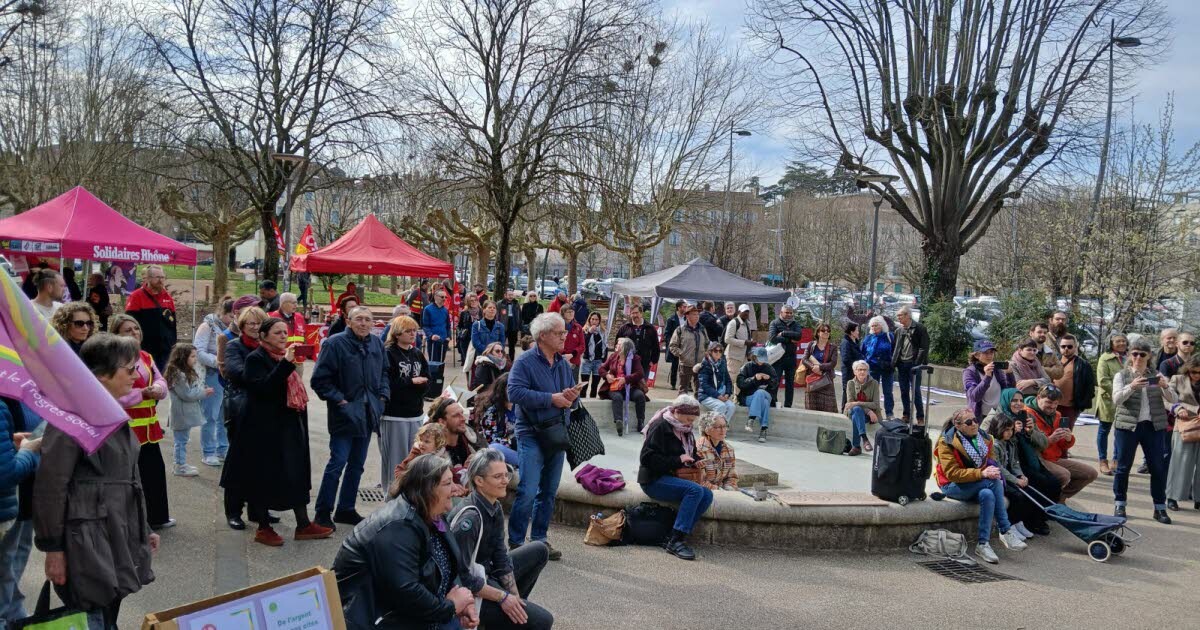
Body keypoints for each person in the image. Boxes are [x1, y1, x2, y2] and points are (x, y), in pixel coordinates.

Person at [33, 334, 160, 628]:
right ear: (101, 374)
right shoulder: (72, 415)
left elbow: (128, 474)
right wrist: (53, 548)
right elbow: (51, 486)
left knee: (108, 611)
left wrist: (145, 525)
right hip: (87, 538)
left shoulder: (112, 410)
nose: (135, 376)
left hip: (116, 528)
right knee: (92, 613)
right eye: (128, 369)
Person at [333, 454, 479, 630]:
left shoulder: (432, 514)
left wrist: (464, 602)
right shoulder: (398, 527)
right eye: (447, 484)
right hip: (377, 618)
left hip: (423, 612)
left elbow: (450, 567)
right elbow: (406, 591)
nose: (455, 489)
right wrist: (451, 607)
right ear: (428, 489)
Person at [241, 317, 334, 545]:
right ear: (263, 336)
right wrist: (287, 365)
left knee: (296, 473)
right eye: (277, 333)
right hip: (265, 429)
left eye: (285, 332)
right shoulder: (256, 359)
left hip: (290, 425)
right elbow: (263, 389)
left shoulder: (284, 358)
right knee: (265, 476)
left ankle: (303, 524)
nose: (283, 336)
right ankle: (263, 527)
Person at [450, 449, 555, 630]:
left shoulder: (494, 506)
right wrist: (502, 597)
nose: (505, 480)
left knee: (539, 550)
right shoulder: (470, 519)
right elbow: (463, 578)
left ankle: (511, 617)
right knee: (543, 621)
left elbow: (501, 557)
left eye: (506, 474)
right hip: (468, 592)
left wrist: (514, 598)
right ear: (479, 481)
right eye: (498, 476)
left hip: (487, 574)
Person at [507, 313, 580, 560]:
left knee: (549, 491)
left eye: (564, 332)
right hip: (531, 432)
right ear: (543, 335)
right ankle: (516, 542)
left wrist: (570, 397)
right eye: (560, 333)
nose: (564, 336)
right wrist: (551, 399)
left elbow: (570, 396)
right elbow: (514, 392)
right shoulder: (525, 361)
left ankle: (539, 540)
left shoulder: (562, 363)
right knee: (527, 489)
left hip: (556, 432)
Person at [311, 306, 388, 530]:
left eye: (368, 319)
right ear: (348, 321)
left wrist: (382, 396)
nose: (364, 323)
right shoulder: (334, 344)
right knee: (337, 463)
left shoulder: (376, 343)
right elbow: (320, 380)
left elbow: (384, 371)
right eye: (359, 319)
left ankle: (345, 508)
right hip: (344, 414)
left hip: (368, 413)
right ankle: (323, 511)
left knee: (357, 465)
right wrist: (340, 400)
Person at [933, 408, 1027, 565]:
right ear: (958, 425)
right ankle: (1005, 529)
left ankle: (983, 544)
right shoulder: (946, 441)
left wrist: (991, 471)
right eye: (969, 422)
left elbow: (990, 462)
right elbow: (952, 473)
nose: (974, 424)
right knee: (993, 482)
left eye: (975, 420)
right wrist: (982, 474)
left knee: (987, 494)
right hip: (952, 485)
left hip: (975, 483)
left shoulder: (985, 438)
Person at [110, 314, 173, 530]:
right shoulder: (111, 360)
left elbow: (160, 379)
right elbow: (111, 396)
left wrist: (159, 389)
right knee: (127, 479)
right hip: (125, 429)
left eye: (136, 329)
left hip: (149, 430)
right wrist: (142, 395)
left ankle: (157, 517)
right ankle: (129, 522)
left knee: (154, 474)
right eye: (128, 330)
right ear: (116, 334)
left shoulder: (146, 356)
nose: (134, 333)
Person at [638, 395, 713, 560]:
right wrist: (678, 460)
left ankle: (673, 535)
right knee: (694, 490)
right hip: (653, 479)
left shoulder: (684, 430)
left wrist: (696, 461)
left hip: (670, 477)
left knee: (707, 494)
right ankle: (676, 540)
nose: (689, 423)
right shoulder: (660, 427)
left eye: (693, 420)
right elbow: (646, 459)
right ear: (676, 412)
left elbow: (689, 453)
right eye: (687, 418)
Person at [1110, 337, 1175, 523]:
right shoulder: (1122, 376)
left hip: (1153, 427)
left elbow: (1173, 398)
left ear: (1149, 356)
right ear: (1130, 355)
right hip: (1128, 427)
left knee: (1157, 468)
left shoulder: (1157, 375)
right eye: (1134, 353)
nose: (1138, 357)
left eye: (1142, 354)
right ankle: (1120, 504)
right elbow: (1116, 400)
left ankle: (1159, 508)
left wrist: (1165, 386)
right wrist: (1131, 386)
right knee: (1123, 468)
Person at [219, 306, 268, 530]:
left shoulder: (268, 348)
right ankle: (233, 511)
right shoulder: (234, 346)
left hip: (264, 411)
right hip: (240, 411)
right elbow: (237, 374)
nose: (256, 328)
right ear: (242, 326)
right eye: (251, 324)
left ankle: (258, 509)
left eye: (259, 324)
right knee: (238, 463)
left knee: (262, 463)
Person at [982, 391, 1054, 537]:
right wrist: (1016, 479)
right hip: (999, 474)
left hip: (1022, 465)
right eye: (1014, 400)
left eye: (1021, 400)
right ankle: (1013, 524)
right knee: (1021, 494)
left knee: (1048, 484)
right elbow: (997, 464)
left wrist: (1031, 431)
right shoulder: (995, 424)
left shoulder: (1023, 421)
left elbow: (1017, 460)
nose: (1018, 403)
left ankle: (1027, 521)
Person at [0, 397, 39, 623]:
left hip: (25, 492)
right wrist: (27, 451)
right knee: (6, 564)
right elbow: (5, 474)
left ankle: (13, 612)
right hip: (9, 499)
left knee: (17, 550)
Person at [1024, 385, 1098, 501]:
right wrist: (1049, 440)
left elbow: (1063, 445)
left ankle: (1058, 500)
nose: (1052, 407)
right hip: (1037, 458)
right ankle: (1050, 500)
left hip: (1053, 457)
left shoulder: (1057, 415)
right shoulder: (1027, 414)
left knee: (1090, 473)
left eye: (1056, 404)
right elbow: (1028, 444)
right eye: (1049, 402)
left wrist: (1068, 438)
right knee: (1063, 475)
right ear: (1038, 398)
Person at [381, 315, 430, 486]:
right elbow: (387, 382)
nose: (412, 334)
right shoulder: (388, 353)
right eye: (408, 331)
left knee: (414, 456)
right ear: (396, 333)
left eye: (414, 331)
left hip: (415, 412)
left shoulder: (416, 353)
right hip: (394, 414)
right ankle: (391, 493)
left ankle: (408, 494)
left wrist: (423, 385)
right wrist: (410, 382)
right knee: (396, 458)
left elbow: (427, 375)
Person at [164, 343, 214, 478]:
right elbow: (188, 395)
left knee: (182, 439)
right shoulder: (179, 374)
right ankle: (179, 466)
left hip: (183, 413)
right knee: (181, 441)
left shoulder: (182, 372)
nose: (195, 359)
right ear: (182, 357)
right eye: (192, 356)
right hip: (181, 414)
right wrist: (204, 392)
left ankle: (181, 464)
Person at [193, 300, 233, 467]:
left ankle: (223, 449)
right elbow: (198, 351)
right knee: (210, 415)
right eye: (231, 315)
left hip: (228, 376)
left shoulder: (234, 329)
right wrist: (219, 362)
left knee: (224, 415)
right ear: (222, 312)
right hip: (212, 375)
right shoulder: (207, 326)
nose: (233, 319)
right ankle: (208, 451)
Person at [124, 264, 176, 371]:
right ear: (148, 278)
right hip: (146, 349)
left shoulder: (168, 297)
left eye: (162, 277)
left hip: (165, 350)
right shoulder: (136, 296)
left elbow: (173, 324)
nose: (160, 280)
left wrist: (173, 343)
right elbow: (129, 322)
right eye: (157, 277)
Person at [1167, 355, 1200, 512]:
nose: (1197, 375)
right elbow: (1166, 399)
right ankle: (1172, 497)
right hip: (1184, 426)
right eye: (1194, 372)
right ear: (1188, 369)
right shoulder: (1177, 379)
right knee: (1180, 462)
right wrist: (1178, 408)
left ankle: (1198, 499)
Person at [599, 337, 647, 436]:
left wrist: (626, 379)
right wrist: (607, 375)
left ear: (626, 347)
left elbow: (640, 373)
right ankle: (619, 422)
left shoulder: (635, 358)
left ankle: (641, 422)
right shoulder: (613, 356)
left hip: (630, 387)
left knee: (640, 396)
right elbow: (601, 368)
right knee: (617, 397)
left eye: (619, 344)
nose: (616, 345)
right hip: (615, 387)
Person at [1096, 333, 1128, 476]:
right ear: (1111, 343)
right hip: (1108, 399)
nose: (1121, 343)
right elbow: (1103, 380)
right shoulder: (1105, 358)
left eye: (1123, 341)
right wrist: (1120, 391)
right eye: (1118, 341)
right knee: (1104, 430)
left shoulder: (1130, 358)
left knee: (1120, 431)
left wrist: (1127, 392)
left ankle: (1116, 459)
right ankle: (1103, 460)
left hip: (1127, 399)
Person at [891, 306, 929, 424]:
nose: (898, 318)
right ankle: (906, 414)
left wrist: (917, 364)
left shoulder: (919, 328)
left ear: (908, 315)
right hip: (902, 364)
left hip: (914, 365)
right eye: (898, 316)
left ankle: (920, 417)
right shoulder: (898, 330)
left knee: (916, 391)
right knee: (904, 390)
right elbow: (895, 348)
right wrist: (895, 362)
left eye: (900, 316)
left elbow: (924, 348)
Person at [471, 374, 519, 464]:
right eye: (509, 388)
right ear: (502, 390)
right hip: (506, 448)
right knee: (495, 447)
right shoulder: (492, 411)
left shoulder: (521, 406)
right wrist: (512, 442)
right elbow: (490, 438)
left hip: (524, 446)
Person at [962, 339, 1015, 421]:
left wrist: (1009, 374)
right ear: (976, 355)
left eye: (992, 352)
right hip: (980, 417)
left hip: (999, 415)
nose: (990, 356)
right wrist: (987, 377)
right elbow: (974, 397)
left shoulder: (997, 370)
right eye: (986, 353)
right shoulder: (969, 372)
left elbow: (1009, 392)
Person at [1051, 333, 1095, 430]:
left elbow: (1090, 388)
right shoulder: (1052, 361)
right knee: (1049, 432)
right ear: (1059, 347)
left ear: (1075, 347)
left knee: (1063, 433)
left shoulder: (1083, 365)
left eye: (1070, 346)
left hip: (1068, 408)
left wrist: (1079, 407)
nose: (1066, 348)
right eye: (1063, 346)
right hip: (1051, 406)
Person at [737, 347, 778, 443]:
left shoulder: (769, 368)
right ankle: (763, 429)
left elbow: (775, 384)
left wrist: (769, 379)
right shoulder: (746, 367)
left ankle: (751, 419)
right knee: (764, 402)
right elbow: (740, 384)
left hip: (766, 394)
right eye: (760, 359)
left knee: (760, 393)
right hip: (749, 397)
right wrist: (753, 379)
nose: (761, 362)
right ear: (754, 357)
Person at [669, 304, 709, 395]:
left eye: (697, 314)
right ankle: (682, 407)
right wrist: (681, 354)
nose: (697, 316)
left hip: (700, 364)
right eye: (694, 314)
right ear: (687, 316)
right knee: (683, 390)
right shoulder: (680, 330)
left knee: (699, 390)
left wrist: (705, 354)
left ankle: (697, 407)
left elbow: (707, 343)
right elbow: (672, 346)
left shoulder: (702, 329)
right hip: (685, 364)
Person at [768, 306, 804, 408]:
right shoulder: (774, 323)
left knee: (790, 384)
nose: (789, 315)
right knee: (775, 382)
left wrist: (783, 333)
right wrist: (789, 340)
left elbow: (798, 336)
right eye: (786, 313)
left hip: (791, 358)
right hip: (777, 358)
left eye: (790, 313)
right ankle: (773, 404)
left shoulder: (795, 324)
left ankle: (788, 405)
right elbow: (772, 338)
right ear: (781, 312)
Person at [800, 322, 839, 413]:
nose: (826, 332)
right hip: (812, 379)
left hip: (827, 380)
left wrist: (820, 367)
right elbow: (804, 359)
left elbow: (833, 363)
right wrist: (813, 367)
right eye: (823, 330)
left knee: (829, 408)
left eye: (828, 330)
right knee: (811, 407)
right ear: (818, 333)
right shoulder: (811, 345)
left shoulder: (833, 347)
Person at [844, 360, 881, 456]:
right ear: (854, 371)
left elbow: (876, 404)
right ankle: (864, 439)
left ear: (868, 371)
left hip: (868, 415)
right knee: (856, 410)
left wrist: (857, 403)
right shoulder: (850, 383)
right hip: (855, 411)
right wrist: (868, 411)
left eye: (865, 370)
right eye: (859, 369)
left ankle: (856, 446)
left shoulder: (874, 383)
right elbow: (849, 404)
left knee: (856, 413)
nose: (862, 372)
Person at [617, 303, 660, 383]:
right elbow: (617, 344)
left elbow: (656, 346)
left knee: (641, 387)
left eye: (636, 313)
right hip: (627, 363)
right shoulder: (625, 328)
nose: (635, 315)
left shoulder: (650, 328)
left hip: (644, 363)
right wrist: (618, 359)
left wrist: (653, 361)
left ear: (641, 313)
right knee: (626, 385)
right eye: (632, 313)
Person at [695, 412, 738, 491]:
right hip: (705, 492)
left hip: (723, 491)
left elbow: (732, 476)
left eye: (725, 426)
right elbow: (700, 481)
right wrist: (720, 490)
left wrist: (730, 488)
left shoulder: (729, 449)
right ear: (707, 430)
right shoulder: (699, 450)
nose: (723, 430)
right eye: (718, 427)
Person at [697, 341, 736, 423]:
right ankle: (714, 427)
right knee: (721, 406)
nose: (718, 353)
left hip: (720, 394)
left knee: (731, 406)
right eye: (715, 351)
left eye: (720, 351)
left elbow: (728, 381)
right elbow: (704, 385)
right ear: (710, 352)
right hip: (706, 395)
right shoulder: (705, 364)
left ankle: (723, 427)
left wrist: (727, 394)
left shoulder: (722, 363)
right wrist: (718, 395)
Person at [269, 291, 308, 373]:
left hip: (298, 362)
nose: (296, 305)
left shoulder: (299, 317)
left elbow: (304, 336)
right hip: (280, 361)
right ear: (283, 304)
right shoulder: (270, 318)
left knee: (298, 385)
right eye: (293, 303)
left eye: (296, 303)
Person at [723, 304, 753, 386]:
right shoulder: (733, 323)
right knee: (733, 380)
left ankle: (737, 398)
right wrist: (744, 342)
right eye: (744, 311)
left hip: (744, 357)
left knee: (741, 380)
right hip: (734, 357)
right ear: (739, 312)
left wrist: (750, 344)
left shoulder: (748, 323)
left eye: (747, 311)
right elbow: (727, 339)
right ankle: (731, 398)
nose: (746, 313)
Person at [579, 312, 607, 398]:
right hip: (587, 360)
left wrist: (604, 361)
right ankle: (583, 405)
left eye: (596, 319)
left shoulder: (602, 332)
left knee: (594, 386)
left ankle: (592, 402)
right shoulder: (584, 330)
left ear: (599, 321)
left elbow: (605, 347)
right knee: (584, 386)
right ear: (589, 320)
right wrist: (589, 333)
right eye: (593, 319)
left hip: (598, 361)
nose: (594, 321)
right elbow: (583, 344)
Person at [662, 301, 687, 389]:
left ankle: (685, 384)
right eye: (684, 307)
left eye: (686, 307)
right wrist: (672, 343)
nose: (685, 308)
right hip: (676, 345)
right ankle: (673, 384)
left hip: (685, 346)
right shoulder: (671, 319)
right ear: (679, 308)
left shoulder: (686, 319)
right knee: (675, 365)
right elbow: (666, 333)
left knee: (685, 366)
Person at [423, 288, 451, 362]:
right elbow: (425, 326)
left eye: (445, 297)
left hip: (444, 340)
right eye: (442, 297)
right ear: (435, 297)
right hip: (433, 340)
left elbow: (448, 325)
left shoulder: (445, 310)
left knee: (441, 361)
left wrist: (448, 336)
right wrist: (431, 335)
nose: (444, 299)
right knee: (433, 362)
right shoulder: (428, 309)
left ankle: (440, 374)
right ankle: (433, 374)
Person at [557, 305, 585, 382]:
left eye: (572, 311)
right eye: (568, 312)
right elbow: (554, 342)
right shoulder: (557, 327)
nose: (571, 313)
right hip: (559, 360)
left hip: (574, 361)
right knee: (559, 384)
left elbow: (582, 346)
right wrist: (563, 355)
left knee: (573, 385)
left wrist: (572, 354)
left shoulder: (578, 327)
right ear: (563, 313)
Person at [840, 322, 863, 408]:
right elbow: (846, 359)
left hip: (856, 372)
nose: (858, 332)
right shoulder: (845, 343)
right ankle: (844, 410)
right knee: (847, 391)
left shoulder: (856, 342)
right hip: (849, 372)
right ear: (852, 332)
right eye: (857, 330)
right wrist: (856, 368)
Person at [457, 293, 482, 365]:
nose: (473, 302)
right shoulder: (464, 313)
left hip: (478, 339)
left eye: (475, 300)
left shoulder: (482, 312)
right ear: (468, 302)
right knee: (467, 362)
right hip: (466, 339)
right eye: (471, 301)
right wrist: (460, 335)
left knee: (477, 362)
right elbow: (459, 326)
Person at [500, 289, 523, 359]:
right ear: (505, 295)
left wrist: (519, 326)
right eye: (509, 295)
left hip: (513, 327)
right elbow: (497, 315)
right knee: (501, 345)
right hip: (503, 327)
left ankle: (511, 360)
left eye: (512, 295)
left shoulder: (516, 304)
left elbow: (519, 315)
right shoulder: (500, 303)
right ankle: (500, 359)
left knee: (512, 346)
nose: (510, 296)